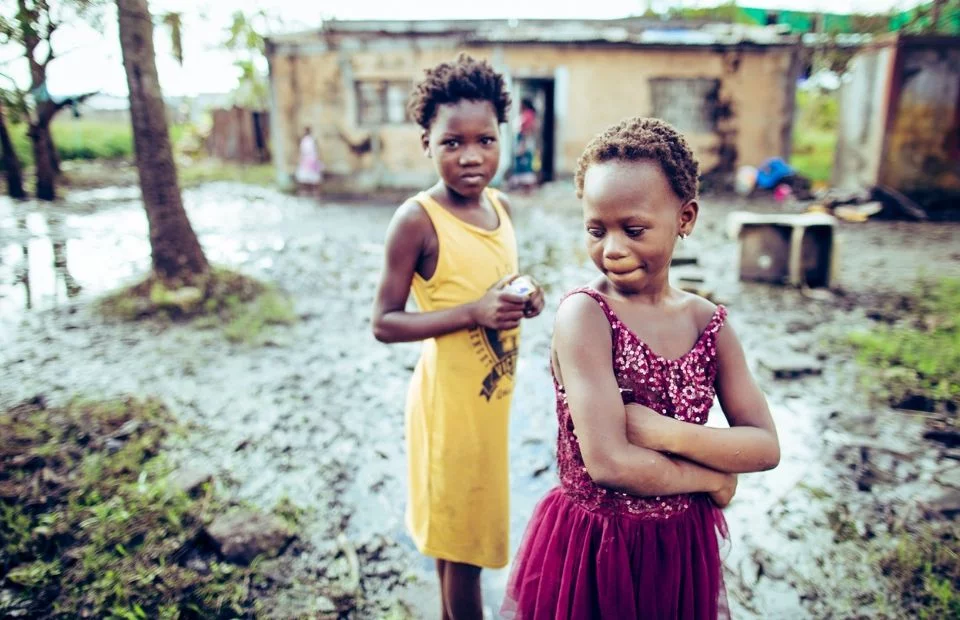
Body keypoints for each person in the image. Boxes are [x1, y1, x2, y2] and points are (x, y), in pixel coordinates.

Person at [503, 117, 781, 619]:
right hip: (596, 547)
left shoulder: (708, 324)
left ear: (685, 218)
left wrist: (662, 431)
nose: (612, 249)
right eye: (596, 230)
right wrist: (713, 479)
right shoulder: (586, 316)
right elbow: (610, 464)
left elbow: (764, 447)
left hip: (680, 546)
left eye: (634, 230)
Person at [371, 54, 546, 619]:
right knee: (464, 552)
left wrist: (526, 295)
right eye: (453, 143)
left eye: (485, 140)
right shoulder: (417, 220)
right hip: (448, 411)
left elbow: (496, 283)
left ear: (502, 138)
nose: (471, 156)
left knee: (461, 542)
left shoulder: (501, 206)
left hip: (489, 408)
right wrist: (474, 312)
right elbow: (385, 322)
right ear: (427, 143)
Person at [511, 98, 539, 191]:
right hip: (523, 140)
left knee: (525, 162)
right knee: (523, 162)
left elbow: (527, 130)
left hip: (524, 141)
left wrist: (523, 144)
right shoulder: (528, 114)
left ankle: (528, 187)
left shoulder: (528, 115)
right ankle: (524, 187)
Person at [295, 126, 323, 195]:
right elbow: (301, 151)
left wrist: (318, 158)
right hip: (305, 159)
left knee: (314, 177)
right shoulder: (303, 140)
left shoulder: (313, 139)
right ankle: (305, 191)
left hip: (312, 159)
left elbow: (317, 149)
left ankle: (315, 191)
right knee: (304, 176)